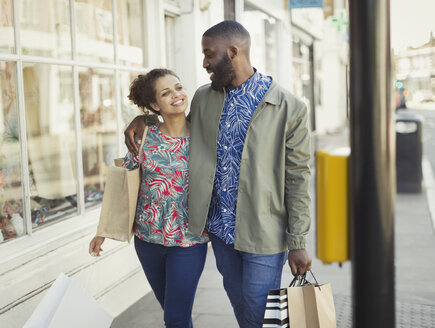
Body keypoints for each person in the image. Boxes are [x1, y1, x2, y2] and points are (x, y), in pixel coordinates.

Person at [125, 21, 312, 327]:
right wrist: (142, 118)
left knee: (258, 304)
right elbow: (173, 120)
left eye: (209, 54)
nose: (205, 63)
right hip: (220, 230)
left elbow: (298, 178)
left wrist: (298, 240)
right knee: (239, 300)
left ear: (233, 52)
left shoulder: (288, 107)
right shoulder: (203, 97)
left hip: (264, 230)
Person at [89, 69, 208, 328]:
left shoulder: (204, 136)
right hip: (148, 242)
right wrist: (103, 230)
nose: (177, 95)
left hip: (188, 242)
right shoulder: (143, 137)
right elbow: (124, 184)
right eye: (166, 93)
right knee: (174, 311)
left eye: (178, 87)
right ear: (154, 104)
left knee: (174, 317)